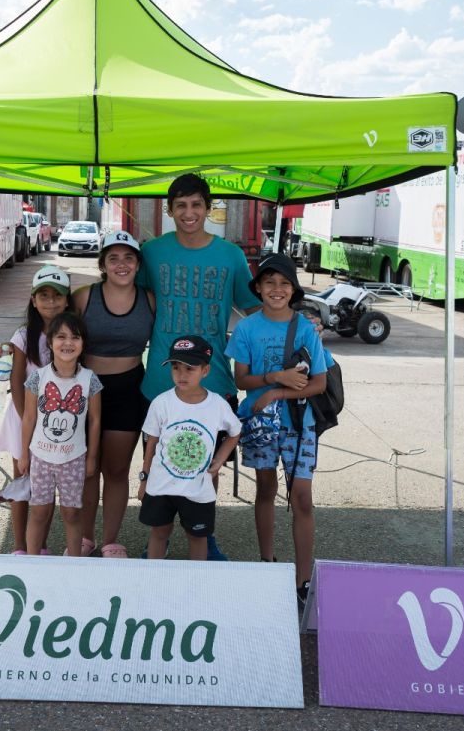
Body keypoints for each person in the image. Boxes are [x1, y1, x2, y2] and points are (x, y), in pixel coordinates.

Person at [136, 173, 260, 560]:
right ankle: (159, 539)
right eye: (181, 205)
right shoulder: (152, 251)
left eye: (196, 205)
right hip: (162, 379)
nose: (188, 213)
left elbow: (254, 308)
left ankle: (204, 535)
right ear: (169, 209)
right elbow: (132, 296)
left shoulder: (231, 256)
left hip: (215, 378)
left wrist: (297, 325)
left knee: (207, 466)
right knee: (162, 462)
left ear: (208, 208)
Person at [226, 253, 328, 608]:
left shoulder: (305, 328)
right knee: (266, 489)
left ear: (294, 290)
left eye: (285, 283)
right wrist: (273, 377)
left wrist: (277, 392)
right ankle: (267, 563)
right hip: (259, 423)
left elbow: (319, 383)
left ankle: (303, 579)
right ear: (257, 288)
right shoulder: (246, 328)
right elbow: (241, 379)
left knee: (302, 498)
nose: (277, 289)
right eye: (269, 282)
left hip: (300, 423)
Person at [73, 230, 155, 559]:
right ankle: (85, 537)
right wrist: (11, 345)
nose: (122, 264)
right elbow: (50, 330)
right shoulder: (83, 297)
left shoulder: (150, 300)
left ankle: (110, 540)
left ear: (138, 264)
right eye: (113, 258)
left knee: (117, 470)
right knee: (87, 469)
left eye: (128, 258)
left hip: (129, 388)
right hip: (84, 390)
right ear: (103, 264)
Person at [138, 335, 241, 560]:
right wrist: (144, 479)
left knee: (197, 537)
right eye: (176, 367)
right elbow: (151, 442)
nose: (181, 374)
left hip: (198, 488)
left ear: (205, 370)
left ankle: (197, 578)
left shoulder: (217, 404)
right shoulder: (161, 403)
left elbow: (235, 432)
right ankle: (152, 575)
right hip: (160, 485)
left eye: (189, 368)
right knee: (159, 533)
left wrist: (219, 460)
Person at [0, 265, 71, 554]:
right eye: (44, 296)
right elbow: (16, 382)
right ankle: (19, 547)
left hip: (57, 424)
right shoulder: (23, 336)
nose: (51, 302)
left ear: (67, 300)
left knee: (45, 489)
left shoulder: (71, 334)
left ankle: (40, 546)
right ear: (33, 300)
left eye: (57, 296)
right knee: (22, 483)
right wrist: (29, 422)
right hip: (23, 419)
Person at [18, 311, 102, 557]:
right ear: (50, 341)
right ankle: (32, 562)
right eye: (61, 337)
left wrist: (91, 458)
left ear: (83, 343)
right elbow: (29, 418)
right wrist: (24, 454)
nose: (68, 343)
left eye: (75, 337)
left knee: (72, 513)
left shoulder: (89, 379)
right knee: (39, 512)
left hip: (74, 458)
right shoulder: (38, 377)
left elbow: (95, 420)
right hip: (41, 457)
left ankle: (74, 564)